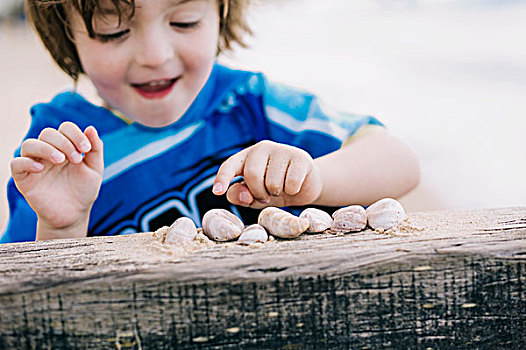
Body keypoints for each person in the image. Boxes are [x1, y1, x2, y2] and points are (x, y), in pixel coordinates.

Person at [0, 0, 419, 243]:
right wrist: (63, 225)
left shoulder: (249, 103)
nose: (155, 55)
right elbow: (26, 296)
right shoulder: (62, 151)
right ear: (66, 32)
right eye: (113, 31)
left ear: (220, 13)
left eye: (184, 21)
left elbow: (398, 160)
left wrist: (316, 179)